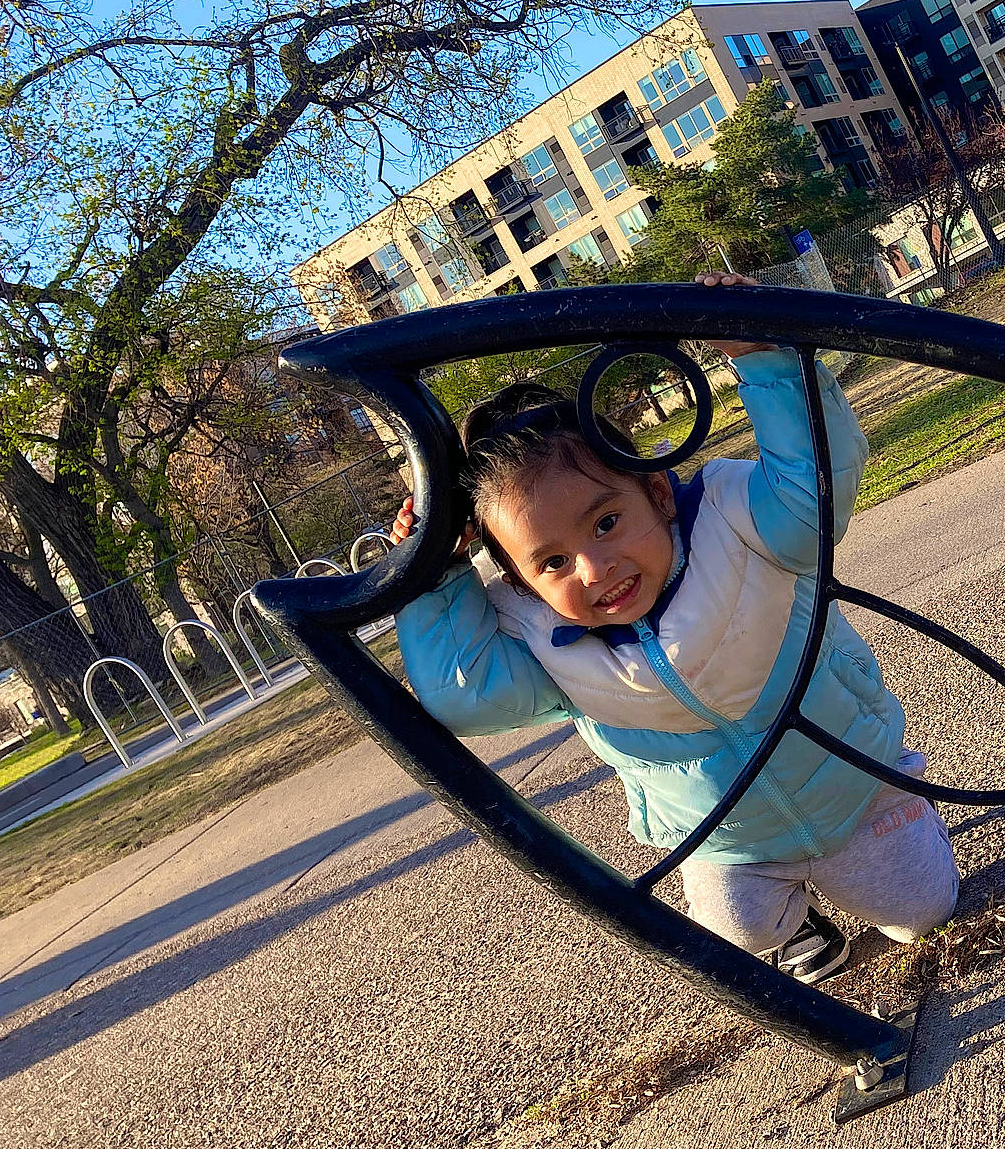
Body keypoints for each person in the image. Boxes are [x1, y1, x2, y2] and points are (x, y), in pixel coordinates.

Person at [387, 270, 957, 985]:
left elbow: (815, 488)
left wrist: (763, 358)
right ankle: (791, 919)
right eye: (553, 561)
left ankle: (905, 827)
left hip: (852, 783)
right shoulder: (541, 639)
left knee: (926, 913)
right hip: (730, 842)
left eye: (607, 521)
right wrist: (435, 572)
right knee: (737, 934)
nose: (594, 569)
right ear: (518, 579)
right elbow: (465, 694)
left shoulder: (733, 522)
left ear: (655, 490)